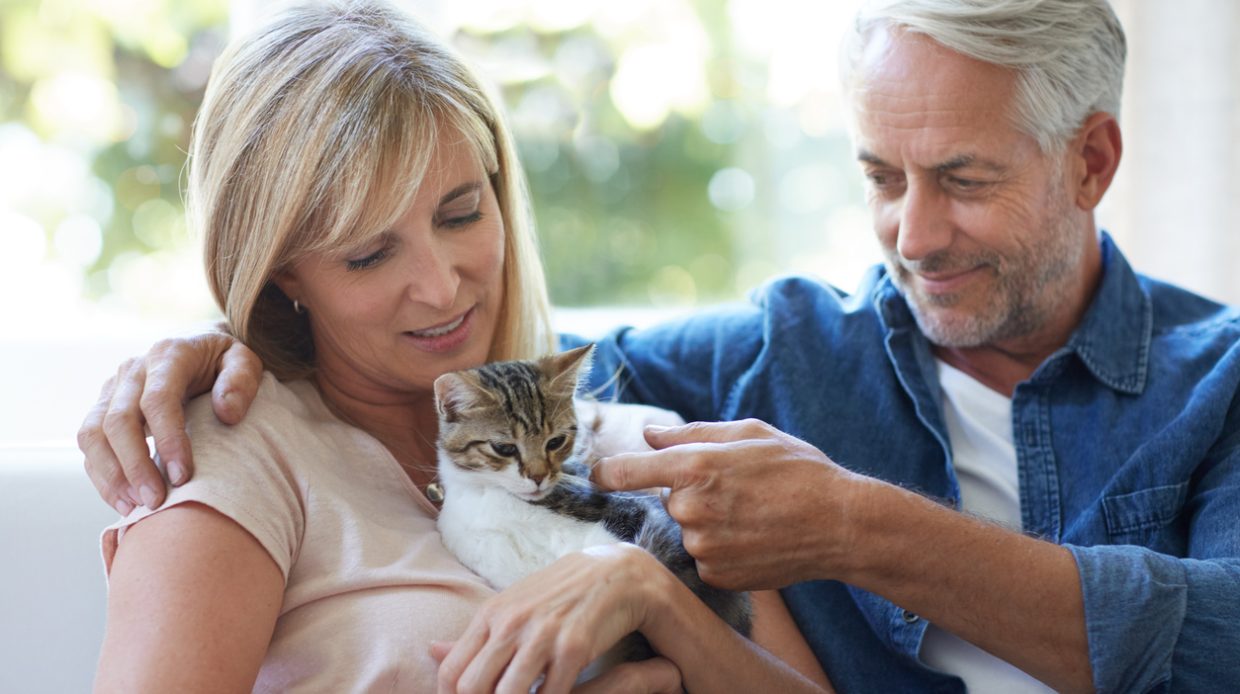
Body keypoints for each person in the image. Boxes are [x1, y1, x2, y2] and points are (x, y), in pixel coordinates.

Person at [81, 0, 1240, 691]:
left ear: (1091, 162)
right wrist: (221, 338)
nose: (913, 234)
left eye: (965, 181)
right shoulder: (769, 356)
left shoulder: (1220, 381)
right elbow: (461, 366)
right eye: (881, 178)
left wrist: (852, 524)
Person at [86, 2, 834, 692]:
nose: (441, 288)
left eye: (462, 214)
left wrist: (653, 598)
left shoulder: (642, 444)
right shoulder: (236, 461)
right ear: (283, 275)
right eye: (369, 255)